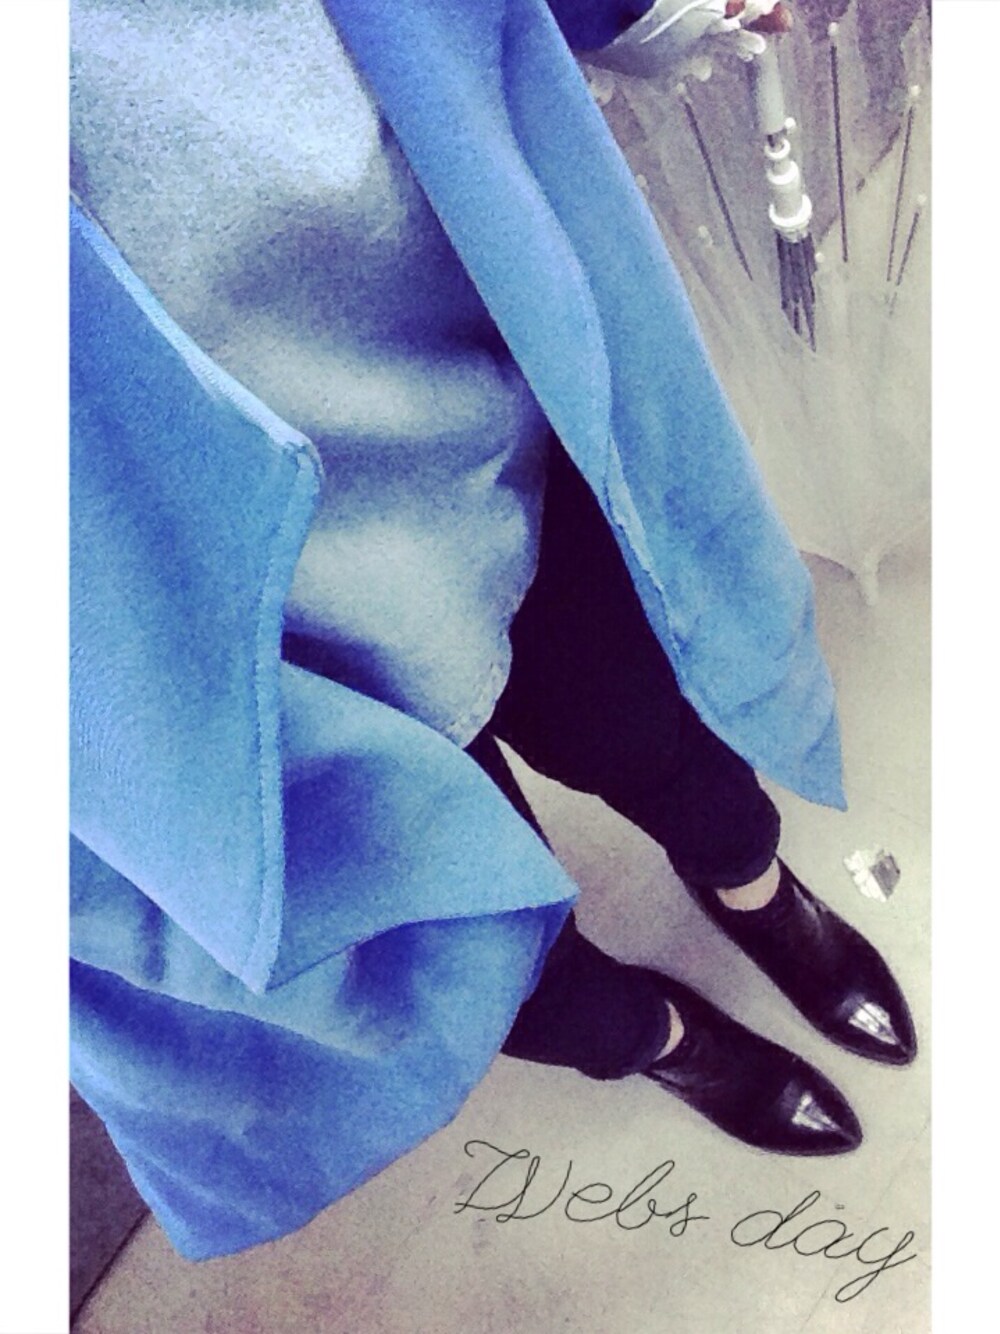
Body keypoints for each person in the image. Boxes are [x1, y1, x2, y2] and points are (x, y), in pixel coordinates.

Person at [69, 0, 915, 1262]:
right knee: (431, 929)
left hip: (464, 420)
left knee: (659, 726)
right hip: (190, 661)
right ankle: (655, 1036)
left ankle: (753, 886)